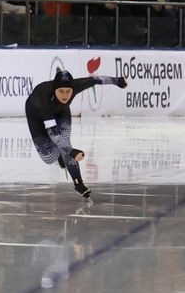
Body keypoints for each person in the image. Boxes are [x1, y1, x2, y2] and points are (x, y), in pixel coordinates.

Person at [26, 69, 127, 198]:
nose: (65, 95)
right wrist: (72, 152)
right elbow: (54, 134)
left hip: (61, 111)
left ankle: (78, 183)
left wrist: (117, 81)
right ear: (54, 90)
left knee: (65, 144)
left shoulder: (76, 86)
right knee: (49, 157)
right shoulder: (44, 96)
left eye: (68, 91)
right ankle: (59, 156)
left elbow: (96, 80)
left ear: (73, 88)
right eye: (61, 91)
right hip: (37, 115)